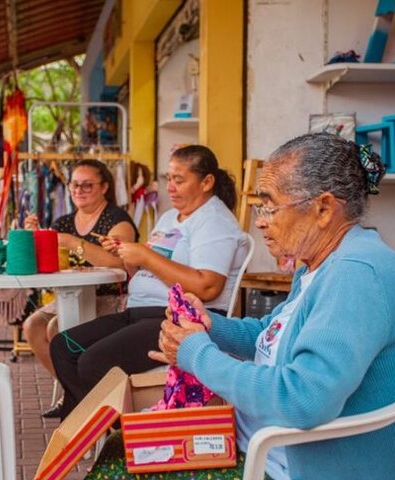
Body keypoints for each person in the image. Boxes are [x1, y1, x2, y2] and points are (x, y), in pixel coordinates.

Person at [145, 133, 395, 479]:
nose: (260, 221)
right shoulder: (320, 264)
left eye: (269, 206)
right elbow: (271, 334)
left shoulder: (355, 274)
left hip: (293, 467)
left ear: (323, 209)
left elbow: (304, 399)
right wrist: (210, 326)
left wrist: (197, 355)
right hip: (259, 447)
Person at [50, 145, 248, 420]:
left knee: (93, 363)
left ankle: (113, 431)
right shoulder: (169, 218)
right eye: (169, 179)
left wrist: (145, 255)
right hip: (139, 312)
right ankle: (86, 427)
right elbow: (149, 268)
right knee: (62, 347)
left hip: (177, 319)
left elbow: (207, 287)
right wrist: (128, 254)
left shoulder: (214, 221)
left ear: (207, 182)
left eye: (179, 180)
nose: (170, 188)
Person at [22, 159, 138, 417]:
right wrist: (35, 236)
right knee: (32, 326)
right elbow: (46, 262)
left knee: (56, 328)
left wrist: (73, 243)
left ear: (104, 187)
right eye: (74, 185)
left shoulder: (118, 221)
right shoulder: (63, 222)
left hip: (110, 299)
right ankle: (77, 393)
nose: (79, 190)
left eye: (87, 185)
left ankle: (80, 401)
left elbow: (119, 262)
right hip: (68, 297)